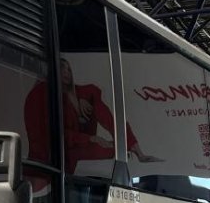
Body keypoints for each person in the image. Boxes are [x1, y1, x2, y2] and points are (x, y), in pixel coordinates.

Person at [25, 58, 162, 174]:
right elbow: (53, 135)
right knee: (108, 150)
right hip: (57, 162)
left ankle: (136, 151)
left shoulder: (86, 92)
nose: (66, 72)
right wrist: (91, 139)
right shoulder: (42, 95)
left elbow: (109, 118)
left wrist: (138, 153)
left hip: (80, 162)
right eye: (62, 68)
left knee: (113, 149)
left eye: (68, 69)